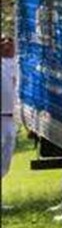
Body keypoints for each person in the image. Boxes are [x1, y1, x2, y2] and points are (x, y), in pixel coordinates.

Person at [1, 35, 16, 179]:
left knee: (5, 163)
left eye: (10, 40)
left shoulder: (20, 63)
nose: (6, 42)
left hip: (13, 120)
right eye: (2, 40)